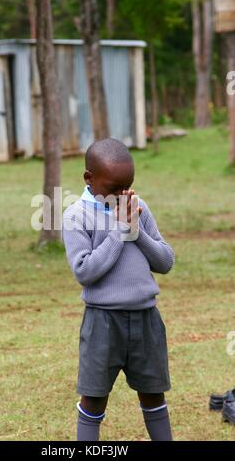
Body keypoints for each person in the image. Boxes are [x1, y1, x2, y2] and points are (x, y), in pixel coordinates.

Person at [61, 138, 175, 441]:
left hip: (146, 320)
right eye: (114, 187)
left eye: (128, 186)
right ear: (89, 178)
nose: (122, 195)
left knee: (153, 395)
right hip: (102, 323)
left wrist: (136, 232)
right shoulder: (75, 216)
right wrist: (119, 231)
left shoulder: (137, 208)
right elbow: (85, 271)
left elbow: (165, 262)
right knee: (94, 399)